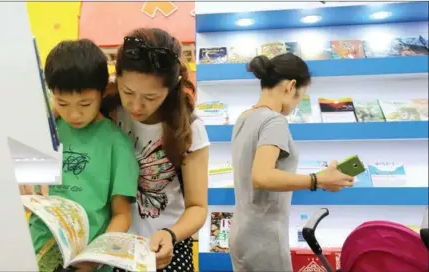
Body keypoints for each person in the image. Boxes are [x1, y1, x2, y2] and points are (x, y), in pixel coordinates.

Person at [228, 53, 355, 271]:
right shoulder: (274, 120)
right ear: (291, 86)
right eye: (300, 96)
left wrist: (322, 177)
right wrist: (317, 181)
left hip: (242, 231)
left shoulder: (245, 117)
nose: (296, 105)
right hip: (264, 237)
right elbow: (262, 176)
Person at [21, 39, 139, 272]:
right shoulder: (45, 133)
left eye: (85, 103)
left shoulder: (116, 143)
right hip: (37, 253)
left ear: (103, 91)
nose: (73, 114)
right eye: (62, 103)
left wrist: (94, 258)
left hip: (88, 261)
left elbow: (122, 215)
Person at [102, 28, 210, 272]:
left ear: (171, 89)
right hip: (110, 247)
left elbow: (197, 207)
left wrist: (171, 234)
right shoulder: (106, 111)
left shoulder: (189, 128)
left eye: (151, 97)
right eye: (128, 92)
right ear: (116, 77)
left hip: (165, 248)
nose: (137, 105)